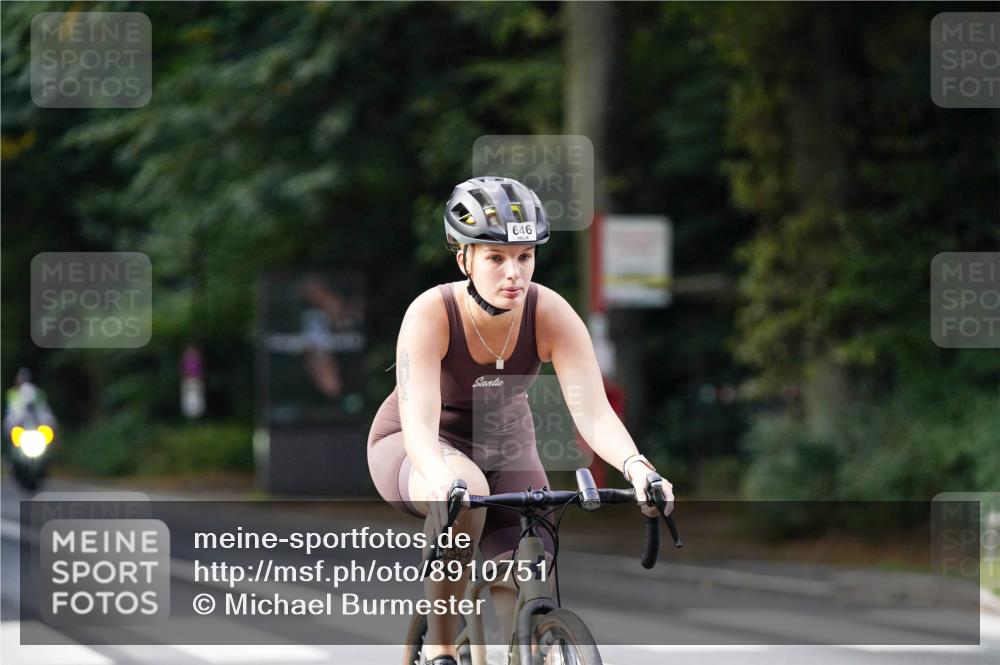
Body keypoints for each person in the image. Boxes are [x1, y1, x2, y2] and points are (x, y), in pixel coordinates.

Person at [367, 176, 674, 665]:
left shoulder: (549, 312)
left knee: (526, 562)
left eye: (525, 256)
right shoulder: (432, 313)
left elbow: (593, 411)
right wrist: (444, 478)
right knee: (465, 493)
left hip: (506, 444)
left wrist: (638, 468)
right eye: (496, 258)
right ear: (464, 259)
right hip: (416, 443)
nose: (514, 273)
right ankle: (442, 646)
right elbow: (420, 426)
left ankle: (526, 649)